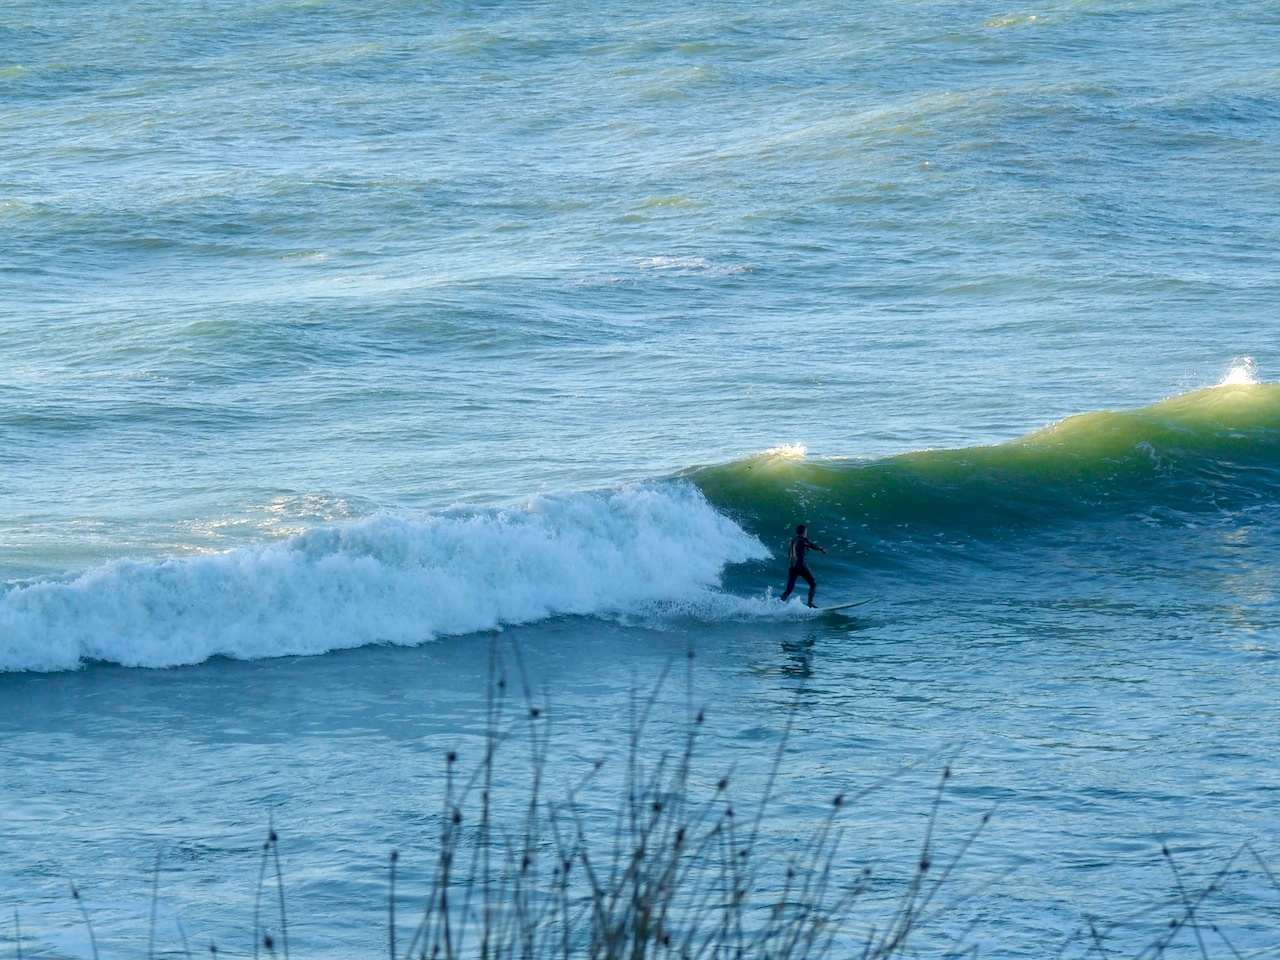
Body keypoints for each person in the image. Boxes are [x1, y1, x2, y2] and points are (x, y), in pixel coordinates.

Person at [780, 524, 827, 607]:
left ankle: (778, 605)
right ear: (802, 532)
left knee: (788, 590)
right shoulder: (802, 539)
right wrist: (821, 549)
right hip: (800, 565)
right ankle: (810, 604)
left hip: (792, 567)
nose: (806, 533)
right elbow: (811, 545)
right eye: (806, 532)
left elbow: (793, 553)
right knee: (813, 583)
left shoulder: (792, 541)